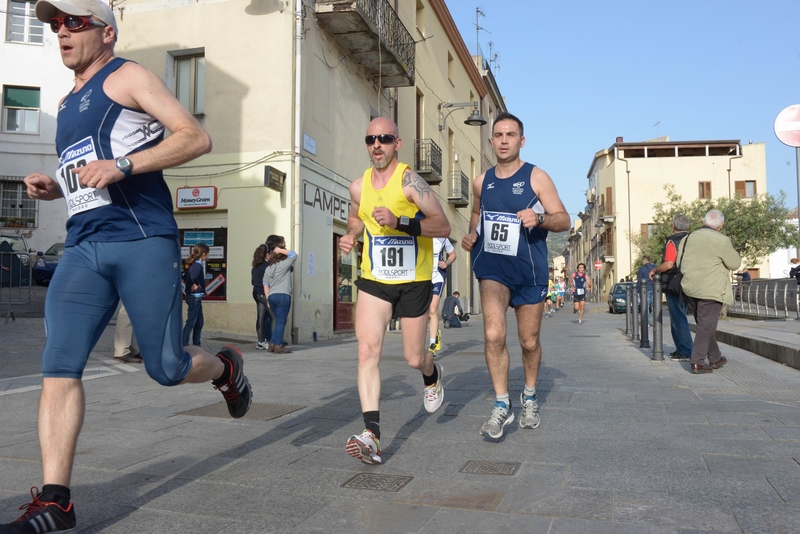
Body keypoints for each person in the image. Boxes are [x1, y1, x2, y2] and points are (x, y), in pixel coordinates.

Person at [7, 1, 252, 530]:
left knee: (166, 368)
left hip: (142, 239)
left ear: (107, 33)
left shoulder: (128, 76)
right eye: (55, 25)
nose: (61, 32)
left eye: (74, 22)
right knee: (59, 365)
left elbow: (194, 136)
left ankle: (227, 367)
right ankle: (56, 502)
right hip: (83, 248)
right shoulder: (68, 100)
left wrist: (125, 165)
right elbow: (86, 173)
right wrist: (55, 188)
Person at [339, 117, 450, 464]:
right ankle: (371, 433)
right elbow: (356, 216)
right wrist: (351, 235)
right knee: (366, 350)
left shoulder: (411, 182)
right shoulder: (358, 186)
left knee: (414, 358)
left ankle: (432, 376)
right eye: (371, 138)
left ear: (397, 143)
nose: (377, 145)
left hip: (413, 279)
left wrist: (401, 221)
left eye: (384, 138)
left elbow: (442, 224)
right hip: (375, 277)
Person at [462, 112, 570, 440]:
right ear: (491, 140)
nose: (504, 140)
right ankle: (501, 404)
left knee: (529, 340)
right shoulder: (482, 181)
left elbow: (564, 219)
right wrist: (471, 235)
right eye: (499, 135)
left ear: (521, 141)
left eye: (511, 135)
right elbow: (477, 213)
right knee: (494, 334)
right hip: (493, 268)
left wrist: (539, 218)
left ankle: (530, 395)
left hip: (530, 270)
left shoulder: (537, 177)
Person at [679, 209, 741, 374]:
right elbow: (735, 264)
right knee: (706, 326)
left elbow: (679, 261)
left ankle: (715, 357)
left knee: (705, 324)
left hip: (690, 287)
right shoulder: (722, 240)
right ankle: (697, 362)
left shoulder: (687, 238)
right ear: (720, 225)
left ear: (705, 221)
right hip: (711, 288)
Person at [649, 214, 693, 362]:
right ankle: (680, 350)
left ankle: (686, 351)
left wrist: (655, 270)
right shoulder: (693, 240)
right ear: (688, 227)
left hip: (674, 283)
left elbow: (668, 264)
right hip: (691, 281)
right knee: (681, 315)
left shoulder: (672, 242)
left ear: (673, 226)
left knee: (678, 317)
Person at [263, 235, 297, 354]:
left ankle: (272, 343)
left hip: (272, 296)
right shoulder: (284, 265)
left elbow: (265, 283)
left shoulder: (269, 268)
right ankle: (278, 345)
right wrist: (280, 249)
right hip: (283, 295)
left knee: (277, 321)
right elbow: (293, 255)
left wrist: (267, 298)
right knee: (281, 322)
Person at [427, 237, 456, 353]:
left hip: (437, 276)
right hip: (423, 276)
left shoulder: (442, 238)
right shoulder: (419, 232)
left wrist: (447, 262)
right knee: (425, 311)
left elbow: (453, 254)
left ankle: (432, 343)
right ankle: (435, 332)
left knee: (433, 309)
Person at [182, 243, 209, 347]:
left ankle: (197, 345)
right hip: (195, 297)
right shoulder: (197, 266)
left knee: (199, 322)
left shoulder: (194, 265)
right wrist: (197, 284)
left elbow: (185, 277)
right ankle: (184, 344)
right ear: (204, 254)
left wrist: (191, 283)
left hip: (195, 297)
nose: (208, 257)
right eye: (207, 254)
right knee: (191, 322)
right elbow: (193, 276)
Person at [251, 244, 274, 349]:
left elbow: (252, 282)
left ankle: (260, 341)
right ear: (267, 254)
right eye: (269, 254)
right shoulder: (267, 266)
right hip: (265, 294)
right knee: (274, 317)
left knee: (260, 317)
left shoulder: (255, 267)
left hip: (256, 293)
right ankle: (275, 341)